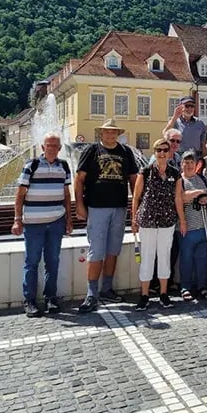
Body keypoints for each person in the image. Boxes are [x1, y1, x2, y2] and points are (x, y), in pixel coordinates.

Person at [75, 119, 139, 313]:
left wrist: (137, 208)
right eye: (107, 132)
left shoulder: (126, 152)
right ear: (101, 133)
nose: (110, 135)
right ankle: (91, 293)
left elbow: (134, 181)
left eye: (113, 132)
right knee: (96, 250)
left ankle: (107, 288)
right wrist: (79, 205)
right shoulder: (92, 151)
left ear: (118, 133)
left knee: (113, 250)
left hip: (119, 207)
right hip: (97, 207)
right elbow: (79, 180)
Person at [12, 133, 73, 318]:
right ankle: (29, 300)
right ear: (42, 147)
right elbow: (20, 194)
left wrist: (68, 220)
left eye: (55, 145)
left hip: (56, 222)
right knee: (31, 262)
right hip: (33, 223)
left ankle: (50, 298)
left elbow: (66, 194)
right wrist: (17, 219)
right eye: (49, 145)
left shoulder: (63, 165)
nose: (52, 148)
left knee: (53, 262)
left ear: (60, 148)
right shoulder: (32, 165)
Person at [131, 138, 181, 311]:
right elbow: (136, 197)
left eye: (165, 150)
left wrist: (182, 220)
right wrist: (134, 219)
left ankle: (163, 294)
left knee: (164, 257)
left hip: (167, 222)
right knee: (147, 257)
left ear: (169, 153)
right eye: (158, 150)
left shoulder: (175, 173)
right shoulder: (144, 172)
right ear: (154, 152)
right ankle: (144, 295)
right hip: (147, 221)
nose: (161, 153)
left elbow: (178, 198)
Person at [177, 150, 207, 301]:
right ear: (181, 164)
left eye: (191, 162)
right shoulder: (179, 180)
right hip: (187, 227)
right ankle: (185, 286)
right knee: (186, 258)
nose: (188, 165)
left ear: (196, 165)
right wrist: (199, 193)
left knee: (202, 258)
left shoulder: (202, 178)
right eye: (185, 163)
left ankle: (203, 286)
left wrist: (205, 198)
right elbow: (181, 197)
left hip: (206, 225)